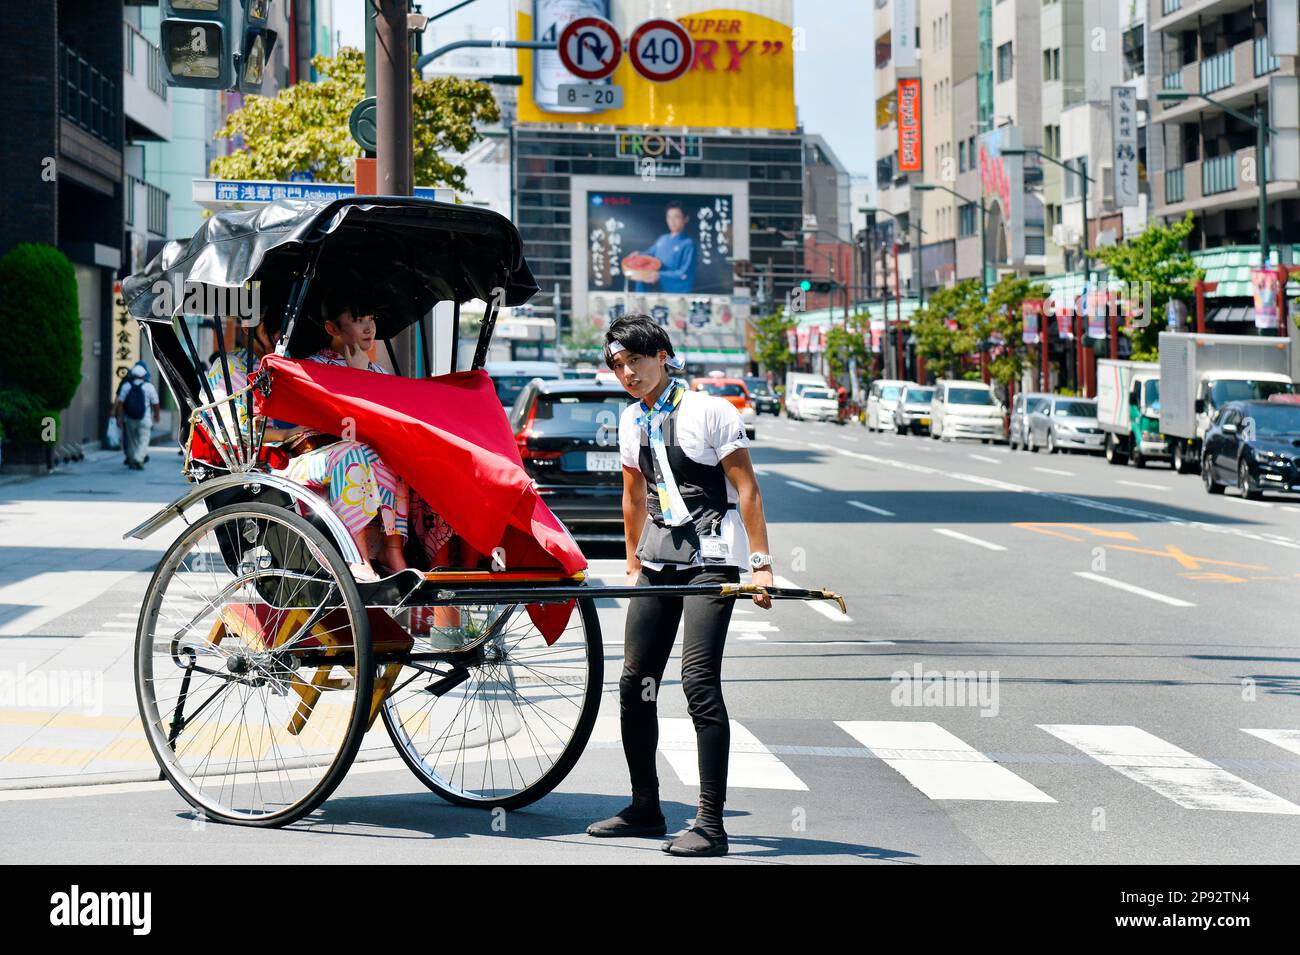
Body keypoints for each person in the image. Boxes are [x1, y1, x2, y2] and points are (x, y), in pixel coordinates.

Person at [587, 314, 775, 858]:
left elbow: (748, 490)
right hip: (657, 560)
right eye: (618, 365)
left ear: (663, 355)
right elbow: (632, 496)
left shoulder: (709, 411)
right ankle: (645, 806)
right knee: (634, 682)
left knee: (698, 682)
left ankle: (711, 823)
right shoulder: (629, 420)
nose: (628, 372)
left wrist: (760, 564)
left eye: (636, 361)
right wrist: (630, 563)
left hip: (711, 560)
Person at [632, 201, 698, 294]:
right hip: (654, 289)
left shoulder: (688, 244)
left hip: (673, 292)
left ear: (685, 219)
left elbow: (685, 273)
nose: (672, 221)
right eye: (669, 217)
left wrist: (660, 276)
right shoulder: (663, 239)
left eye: (676, 217)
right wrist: (639, 255)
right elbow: (650, 254)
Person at [113, 362, 160, 470]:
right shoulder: (149, 386)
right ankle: (138, 459)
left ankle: (131, 458)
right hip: (145, 418)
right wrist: (157, 415)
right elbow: (156, 403)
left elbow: (120, 403)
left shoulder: (126, 386)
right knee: (144, 439)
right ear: (144, 375)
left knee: (131, 440)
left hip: (130, 418)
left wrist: (119, 417)